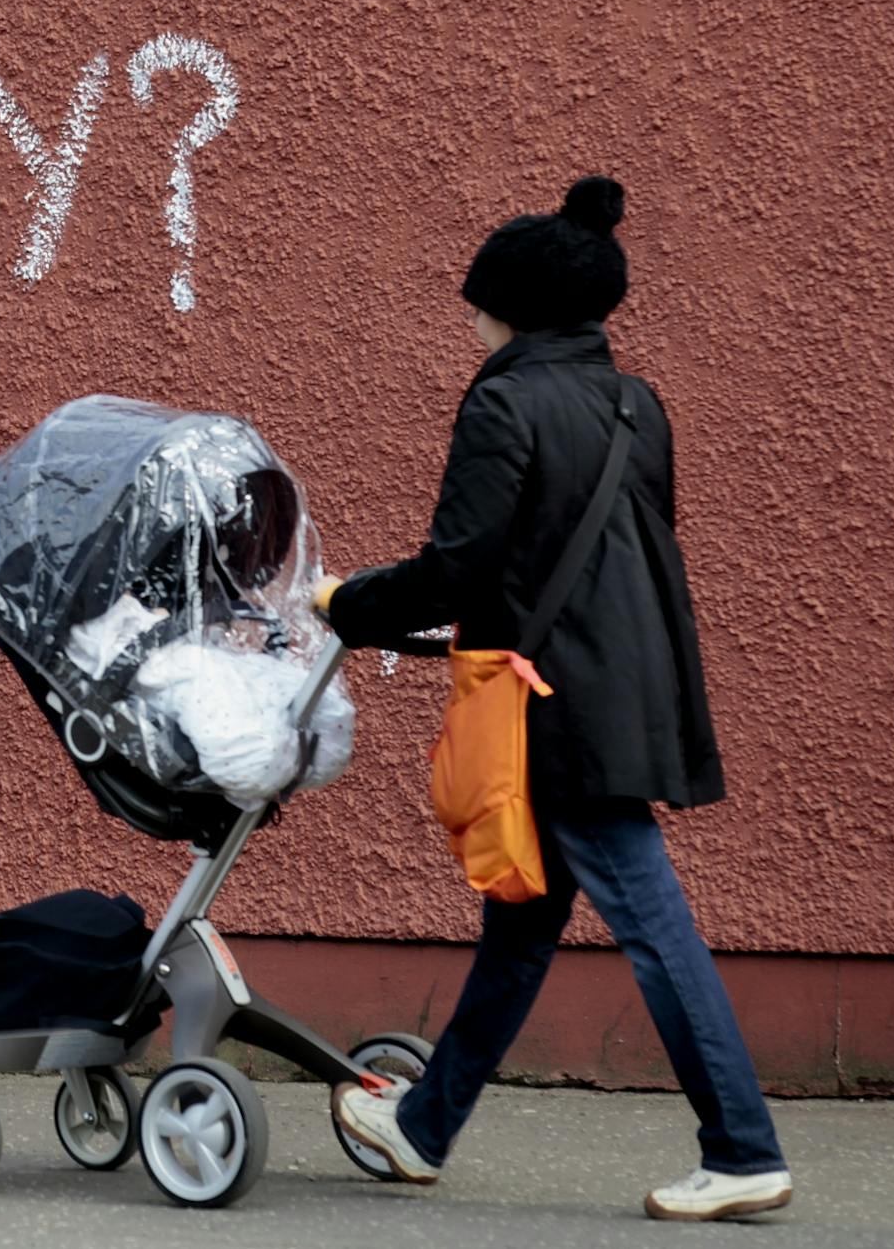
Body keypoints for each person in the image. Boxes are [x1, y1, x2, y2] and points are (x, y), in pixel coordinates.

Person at [314, 176, 793, 1222]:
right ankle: (424, 1124)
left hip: (557, 703)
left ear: (514, 305)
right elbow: (615, 550)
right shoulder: (636, 402)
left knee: (653, 921)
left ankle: (744, 1146)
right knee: (523, 921)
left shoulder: (504, 398)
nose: (471, 316)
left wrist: (345, 602)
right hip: (629, 681)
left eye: (480, 299)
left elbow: (463, 562)